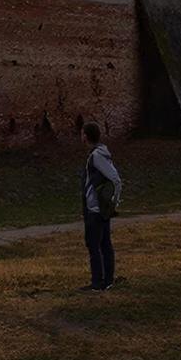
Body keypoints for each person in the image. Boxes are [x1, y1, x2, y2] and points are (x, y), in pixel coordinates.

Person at [79, 121, 122, 291]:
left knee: (94, 245)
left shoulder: (96, 156)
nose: (80, 136)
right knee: (104, 244)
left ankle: (98, 282)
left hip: (96, 210)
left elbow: (115, 179)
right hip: (98, 208)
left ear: (86, 136)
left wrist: (113, 202)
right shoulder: (99, 154)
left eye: (82, 133)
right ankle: (107, 281)